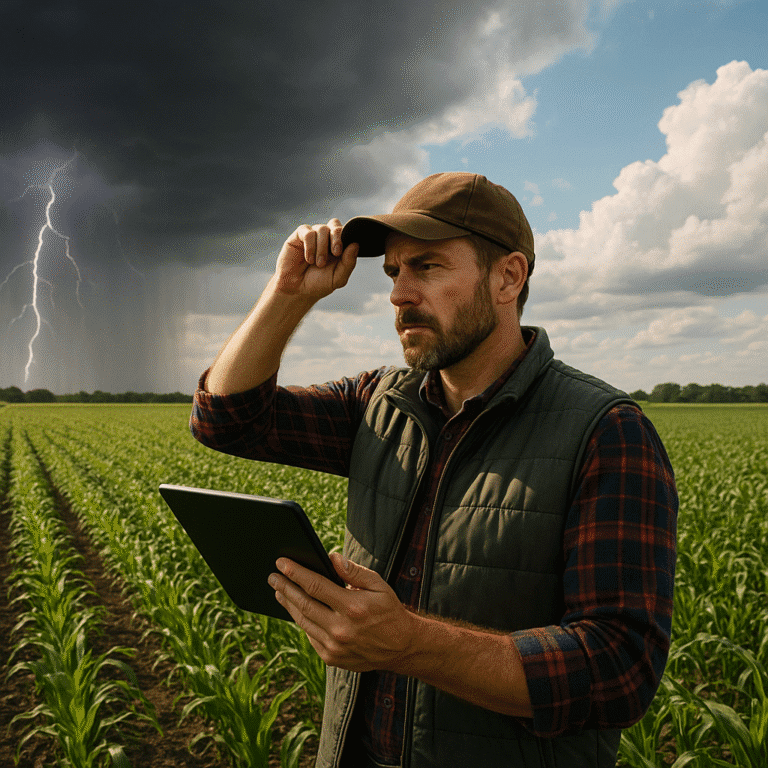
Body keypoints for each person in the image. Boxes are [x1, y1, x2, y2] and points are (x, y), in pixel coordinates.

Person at [190, 172, 677, 768]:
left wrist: (410, 644)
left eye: (427, 267)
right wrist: (288, 292)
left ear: (508, 277)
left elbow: (618, 668)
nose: (398, 294)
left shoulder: (604, 431)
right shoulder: (378, 403)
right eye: (394, 272)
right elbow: (227, 419)